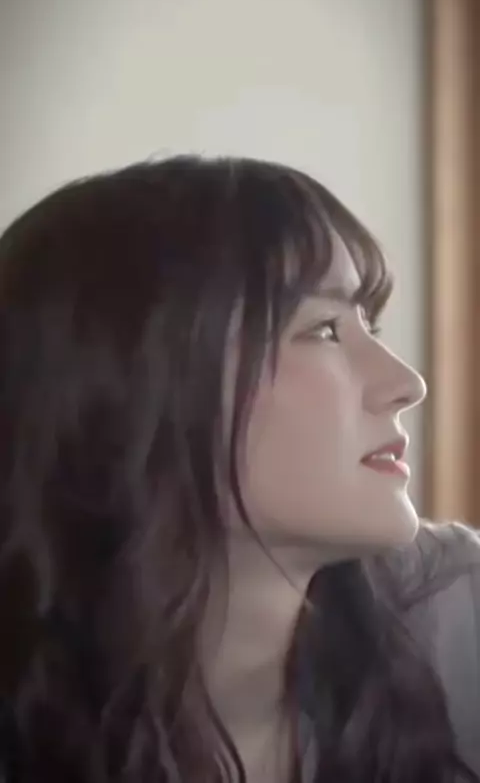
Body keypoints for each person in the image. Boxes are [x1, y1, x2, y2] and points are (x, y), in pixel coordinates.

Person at [0, 155, 478, 783]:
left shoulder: (455, 613)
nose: (406, 383)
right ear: (143, 389)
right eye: (325, 330)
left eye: (370, 324)